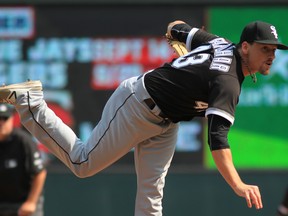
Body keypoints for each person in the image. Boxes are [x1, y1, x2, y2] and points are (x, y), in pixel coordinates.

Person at [0, 20, 286, 216]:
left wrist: (182, 47)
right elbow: (218, 139)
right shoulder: (228, 82)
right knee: (82, 162)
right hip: (138, 103)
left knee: (152, 197)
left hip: (167, 120)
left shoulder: (220, 43)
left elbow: (175, 27)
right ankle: (30, 102)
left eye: (274, 50)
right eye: (264, 48)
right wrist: (238, 184)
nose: (271, 55)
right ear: (245, 47)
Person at [0, 103, 47, 216]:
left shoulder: (23, 141)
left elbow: (39, 173)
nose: (1, 123)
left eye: (5, 118)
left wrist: (30, 202)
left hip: (23, 203)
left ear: (11, 119)